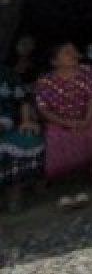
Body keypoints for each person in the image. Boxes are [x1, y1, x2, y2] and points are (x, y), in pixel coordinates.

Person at [35, 42, 92, 182]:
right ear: (54, 61)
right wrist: (66, 122)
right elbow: (43, 109)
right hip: (58, 120)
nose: (73, 55)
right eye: (67, 52)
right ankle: (66, 173)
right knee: (56, 136)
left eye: (74, 51)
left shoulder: (88, 72)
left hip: (86, 117)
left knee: (90, 131)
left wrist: (86, 119)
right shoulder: (45, 81)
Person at [0, 63, 43, 211]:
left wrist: (26, 120)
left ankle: (15, 192)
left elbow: (23, 99)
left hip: (9, 123)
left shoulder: (6, 73)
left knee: (28, 136)